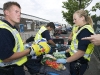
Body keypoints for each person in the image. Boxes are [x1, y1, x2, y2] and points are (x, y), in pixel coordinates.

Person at [0, 1, 51, 75]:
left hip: (17, 67)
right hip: (10, 70)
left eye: (20, 13)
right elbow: (6, 57)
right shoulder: (3, 30)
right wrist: (30, 50)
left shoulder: (13, 28)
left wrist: (28, 44)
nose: (19, 15)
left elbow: (15, 45)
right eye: (16, 12)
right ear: (6, 12)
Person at [56, 9, 95, 75]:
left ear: (82, 18)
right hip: (75, 60)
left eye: (75, 19)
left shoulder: (85, 31)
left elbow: (81, 52)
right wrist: (65, 51)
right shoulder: (80, 29)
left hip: (79, 62)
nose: (74, 21)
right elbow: (74, 47)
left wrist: (66, 60)